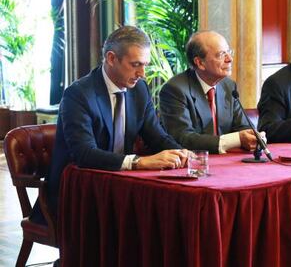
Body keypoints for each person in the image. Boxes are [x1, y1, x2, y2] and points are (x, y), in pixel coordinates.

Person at [33, 26, 188, 224]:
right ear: (111, 58)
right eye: (135, 64)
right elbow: (84, 154)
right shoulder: (78, 94)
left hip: (120, 186)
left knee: (169, 214)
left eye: (145, 65)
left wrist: (184, 154)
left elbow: (156, 136)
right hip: (79, 192)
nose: (142, 73)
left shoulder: (139, 88)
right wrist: (137, 162)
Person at [159, 30, 262, 154]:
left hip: (226, 163)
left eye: (229, 52)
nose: (229, 59)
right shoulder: (175, 89)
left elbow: (242, 126)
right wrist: (236, 139)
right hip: (194, 163)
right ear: (200, 63)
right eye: (221, 55)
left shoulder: (228, 86)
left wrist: (253, 136)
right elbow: (183, 138)